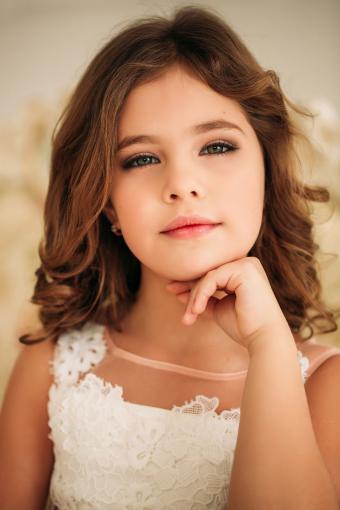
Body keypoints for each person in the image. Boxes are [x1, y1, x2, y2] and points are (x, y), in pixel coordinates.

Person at [1, 5, 340, 509]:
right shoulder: (53, 364)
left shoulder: (326, 386)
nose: (182, 184)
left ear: (267, 171)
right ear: (106, 201)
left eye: (217, 146)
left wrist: (270, 347)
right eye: (141, 159)